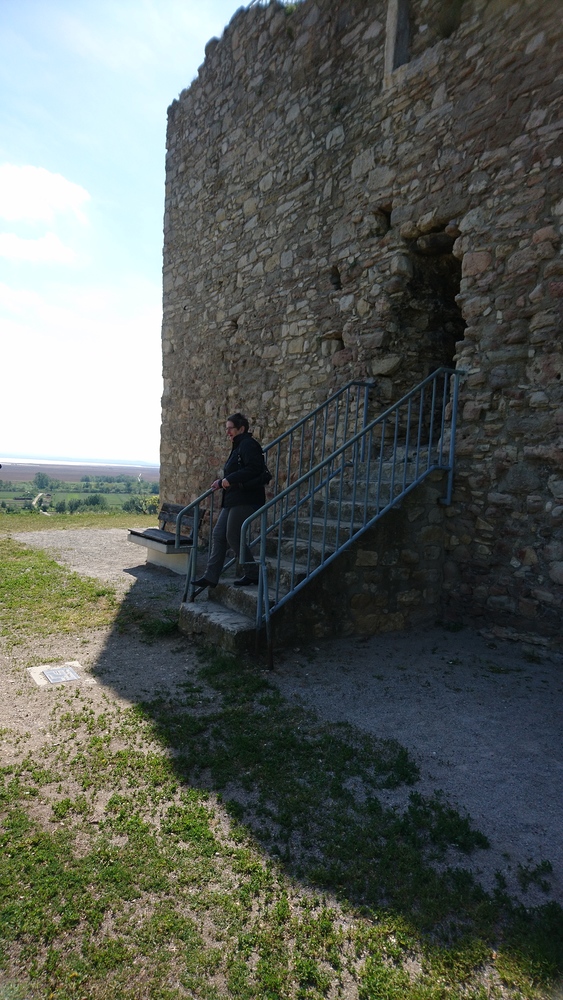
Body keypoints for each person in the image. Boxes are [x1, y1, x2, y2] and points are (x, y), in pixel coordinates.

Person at [193, 412, 266, 590]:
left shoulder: (248, 444)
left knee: (232, 535)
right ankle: (211, 577)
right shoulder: (239, 445)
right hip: (234, 498)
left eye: (230, 428)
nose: (227, 432)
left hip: (247, 498)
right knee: (219, 534)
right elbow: (238, 471)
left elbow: (254, 469)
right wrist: (221, 482)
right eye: (226, 429)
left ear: (241, 428)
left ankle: (253, 573)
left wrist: (228, 480)